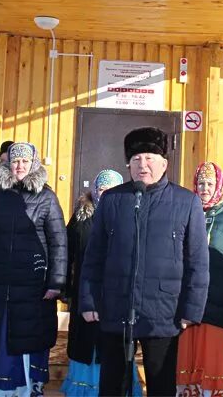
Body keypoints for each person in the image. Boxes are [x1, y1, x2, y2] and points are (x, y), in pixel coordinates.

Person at [80, 127, 209, 397]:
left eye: (150, 157)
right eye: (136, 159)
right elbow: (94, 256)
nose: (143, 165)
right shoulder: (113, 200)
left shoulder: (186, 202)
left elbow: (198, 262)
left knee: (161, 384)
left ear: (164, 162)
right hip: (116, 307)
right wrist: (89, 301)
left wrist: (191, 309)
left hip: (163, 310)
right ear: (128, 163)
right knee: (112, 385)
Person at [0, 142, 68, 396]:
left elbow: (59, 243)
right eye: (15, 161)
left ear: (34, 165)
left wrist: (56, 283)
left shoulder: (46, 197)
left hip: (32, 287)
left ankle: (25, 390)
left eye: (25, 162)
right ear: (8, 164)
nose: (19, 166)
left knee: (27, 335)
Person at [62, 169, 142, 397]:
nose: (104, 193)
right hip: (85, 291)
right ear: (94, 190)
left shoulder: (129, 216)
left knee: (115, 344)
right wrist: (65, 287)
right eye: (101, 188)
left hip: (117, 294)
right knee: (86, 342)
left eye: (110, 189)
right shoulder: (80, 218)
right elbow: (67, 254)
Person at [176, 161, 223, 397]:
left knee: (216, 360)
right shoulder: (185, 213)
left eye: (209, 183)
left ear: (219, 185)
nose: (205, 188)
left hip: (220, 306)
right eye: (200, 183)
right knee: (189, 359)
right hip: (188, 304)